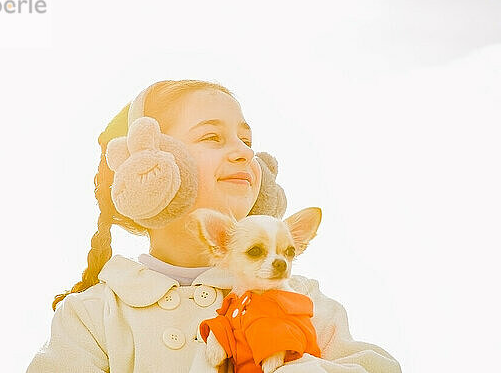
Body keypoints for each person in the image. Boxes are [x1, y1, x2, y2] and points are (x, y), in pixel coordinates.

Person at [26, 80, 401, 373]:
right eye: (212, 136)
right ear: (149, 167)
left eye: (247, 139)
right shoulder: (92, 314)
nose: (245, 151)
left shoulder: (299, 297)